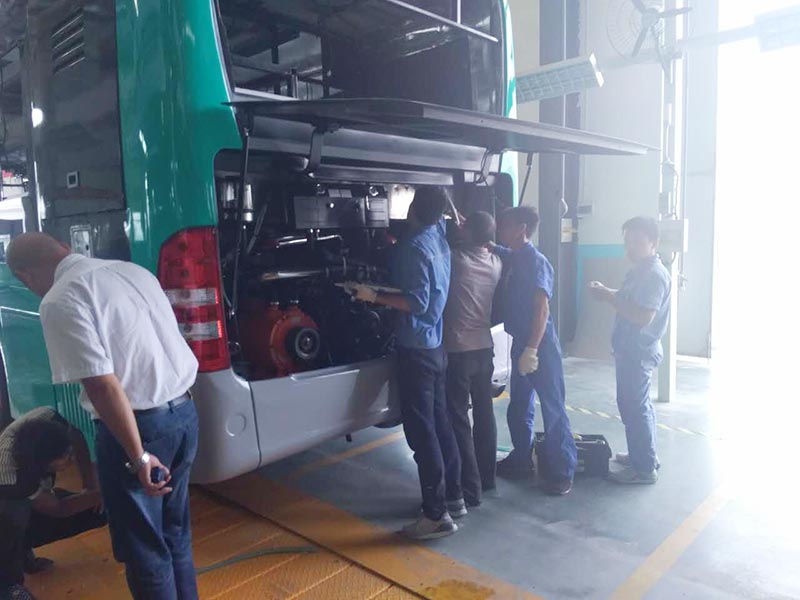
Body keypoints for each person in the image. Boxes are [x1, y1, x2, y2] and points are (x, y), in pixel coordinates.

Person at [6, 233, 200, 599]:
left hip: (140, 429)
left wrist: (138, 456)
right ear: (65, 248)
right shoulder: (132, 271)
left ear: (24, 276)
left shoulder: (60, 299)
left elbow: (102, 386)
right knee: (175, 534)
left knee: (145, 549)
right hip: (184, 414)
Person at [346, 186, 463, 540]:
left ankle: (436, 515)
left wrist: (372, 295)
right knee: (441, 424)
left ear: (412, 209)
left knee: (422, 431)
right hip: (436, 347)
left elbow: (417, 303)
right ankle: (454, 497)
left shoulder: (413, 249)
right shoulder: (439, 236)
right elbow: (447, 217)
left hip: (416, 350)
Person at [492, 206, 577, 495]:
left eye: (506, 225)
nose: (501, 230)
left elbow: (542, 310)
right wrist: (483, 240)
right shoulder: (515, 256)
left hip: (540, 348)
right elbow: (501, 251)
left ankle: (562, 472)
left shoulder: (538, 262)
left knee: (553, 409)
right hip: (521, 344)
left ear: (522, 229)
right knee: (519, 406)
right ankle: (521, 459)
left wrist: (531, 350)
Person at [589, 216, 671, 484]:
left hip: (638, 352)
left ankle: (644, 468)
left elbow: (642, 315)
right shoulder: (639, 271)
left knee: (635, 408)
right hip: (631, 349)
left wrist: (608, 297)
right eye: (628, 242)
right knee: (638, 406)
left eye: (637, 242)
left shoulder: (653, 275)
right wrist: (607, 291)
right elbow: (630, 298)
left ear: (653, 243)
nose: (630, 248)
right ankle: (643, 456)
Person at [0, 408, 106, 600]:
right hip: (7, 512)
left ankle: (22, 552)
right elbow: (59, 509)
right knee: (13, 517)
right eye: (66, 458)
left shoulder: (48, 418)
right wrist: (102, 495)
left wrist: (90, 487)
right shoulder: (14, 479)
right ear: (43, 463)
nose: (72, 459)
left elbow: (77, 439)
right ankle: (9, 585)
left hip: (24, 497)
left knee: (96, 511)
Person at [443, 211, 503, 505]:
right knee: (483, 412)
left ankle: (470, 489)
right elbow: (481, 242)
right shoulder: (495, 263)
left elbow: (444, 250)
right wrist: (469, 229)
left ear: (469, 232)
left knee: (458, 419)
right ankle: (487, 478)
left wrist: (452, 229)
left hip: (459, 350)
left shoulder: (456, 261)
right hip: (484, 349)